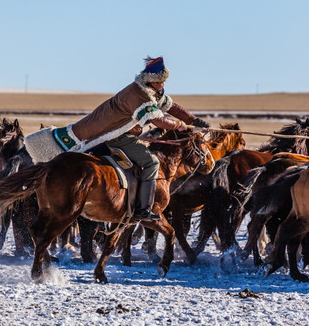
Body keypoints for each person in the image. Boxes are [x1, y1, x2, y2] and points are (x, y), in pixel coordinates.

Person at [69, 56, 210, 220]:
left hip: (124, 133)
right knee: (152, 162)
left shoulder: (152, 91)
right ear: (151, 81)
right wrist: (177, 125)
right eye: (159, 82)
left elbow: (172, 107)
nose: (163, 84)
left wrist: (193, 120)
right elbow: (157, 120)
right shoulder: (140, 95)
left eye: (163, 81)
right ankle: (143, 209)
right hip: (119, 136)